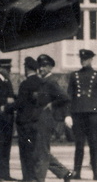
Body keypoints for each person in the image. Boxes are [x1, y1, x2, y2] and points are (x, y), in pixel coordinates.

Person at [65, 49, 97, 180]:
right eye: (82, 59)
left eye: (86, 59)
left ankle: (96, 172)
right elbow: (69, 96)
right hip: (78, 113)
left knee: (94, 144)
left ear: (90, 60)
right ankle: (77, 172)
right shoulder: (74, 75)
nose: (83, 61)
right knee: (79, 144)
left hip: (93, 114)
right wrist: (68, 114)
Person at [35, 54, 73, 182]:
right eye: (40, 66)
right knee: (41, 149)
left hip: (46, 120)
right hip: (40, 119)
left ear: (50, 67)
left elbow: (65, 97)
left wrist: (52, 104)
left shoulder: (51, 81)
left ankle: (39, 179)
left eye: (44, 66)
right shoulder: (42, 81)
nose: (41, 68)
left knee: (42, 150)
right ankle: (64, 173)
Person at [14, 56, 42, 182]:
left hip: (24, 121)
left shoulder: (25, 84)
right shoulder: (41, 82)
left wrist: (7, 107)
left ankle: (27, 177)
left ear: (27, 68)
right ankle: (34, 176)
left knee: (25, 151)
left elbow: (20, 102)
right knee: (35, 150)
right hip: (37, 120)